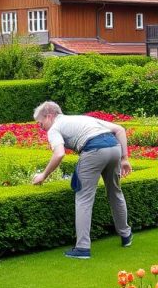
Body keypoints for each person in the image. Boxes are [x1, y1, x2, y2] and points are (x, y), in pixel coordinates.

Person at [32, 101, 132, 259]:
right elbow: (119, 129)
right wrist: (124, 159)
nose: (41, 127)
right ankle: (126, 235)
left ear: (49, 116)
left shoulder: (54, 128)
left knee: (83, 197)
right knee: (115, 192)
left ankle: (82, 248)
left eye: (40, 123)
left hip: (94, 150)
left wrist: (43, 175)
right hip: (114, 148)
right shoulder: (82, 118)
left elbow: (59, 154)